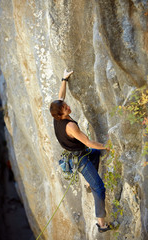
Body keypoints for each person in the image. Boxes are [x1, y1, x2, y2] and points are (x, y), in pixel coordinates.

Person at [50, 70, 111, 233]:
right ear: (60, 115)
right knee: (99, 187)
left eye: (66, 106)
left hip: (79, 153)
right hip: (80, 159)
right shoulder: (70, 126)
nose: (68, 107)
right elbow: (88, 142)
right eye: (65, 108)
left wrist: (64, 78)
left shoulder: (57, 115)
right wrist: (106, 146)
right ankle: (101, 224)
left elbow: (60, 96)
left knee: (95, 153)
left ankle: (89, 181)